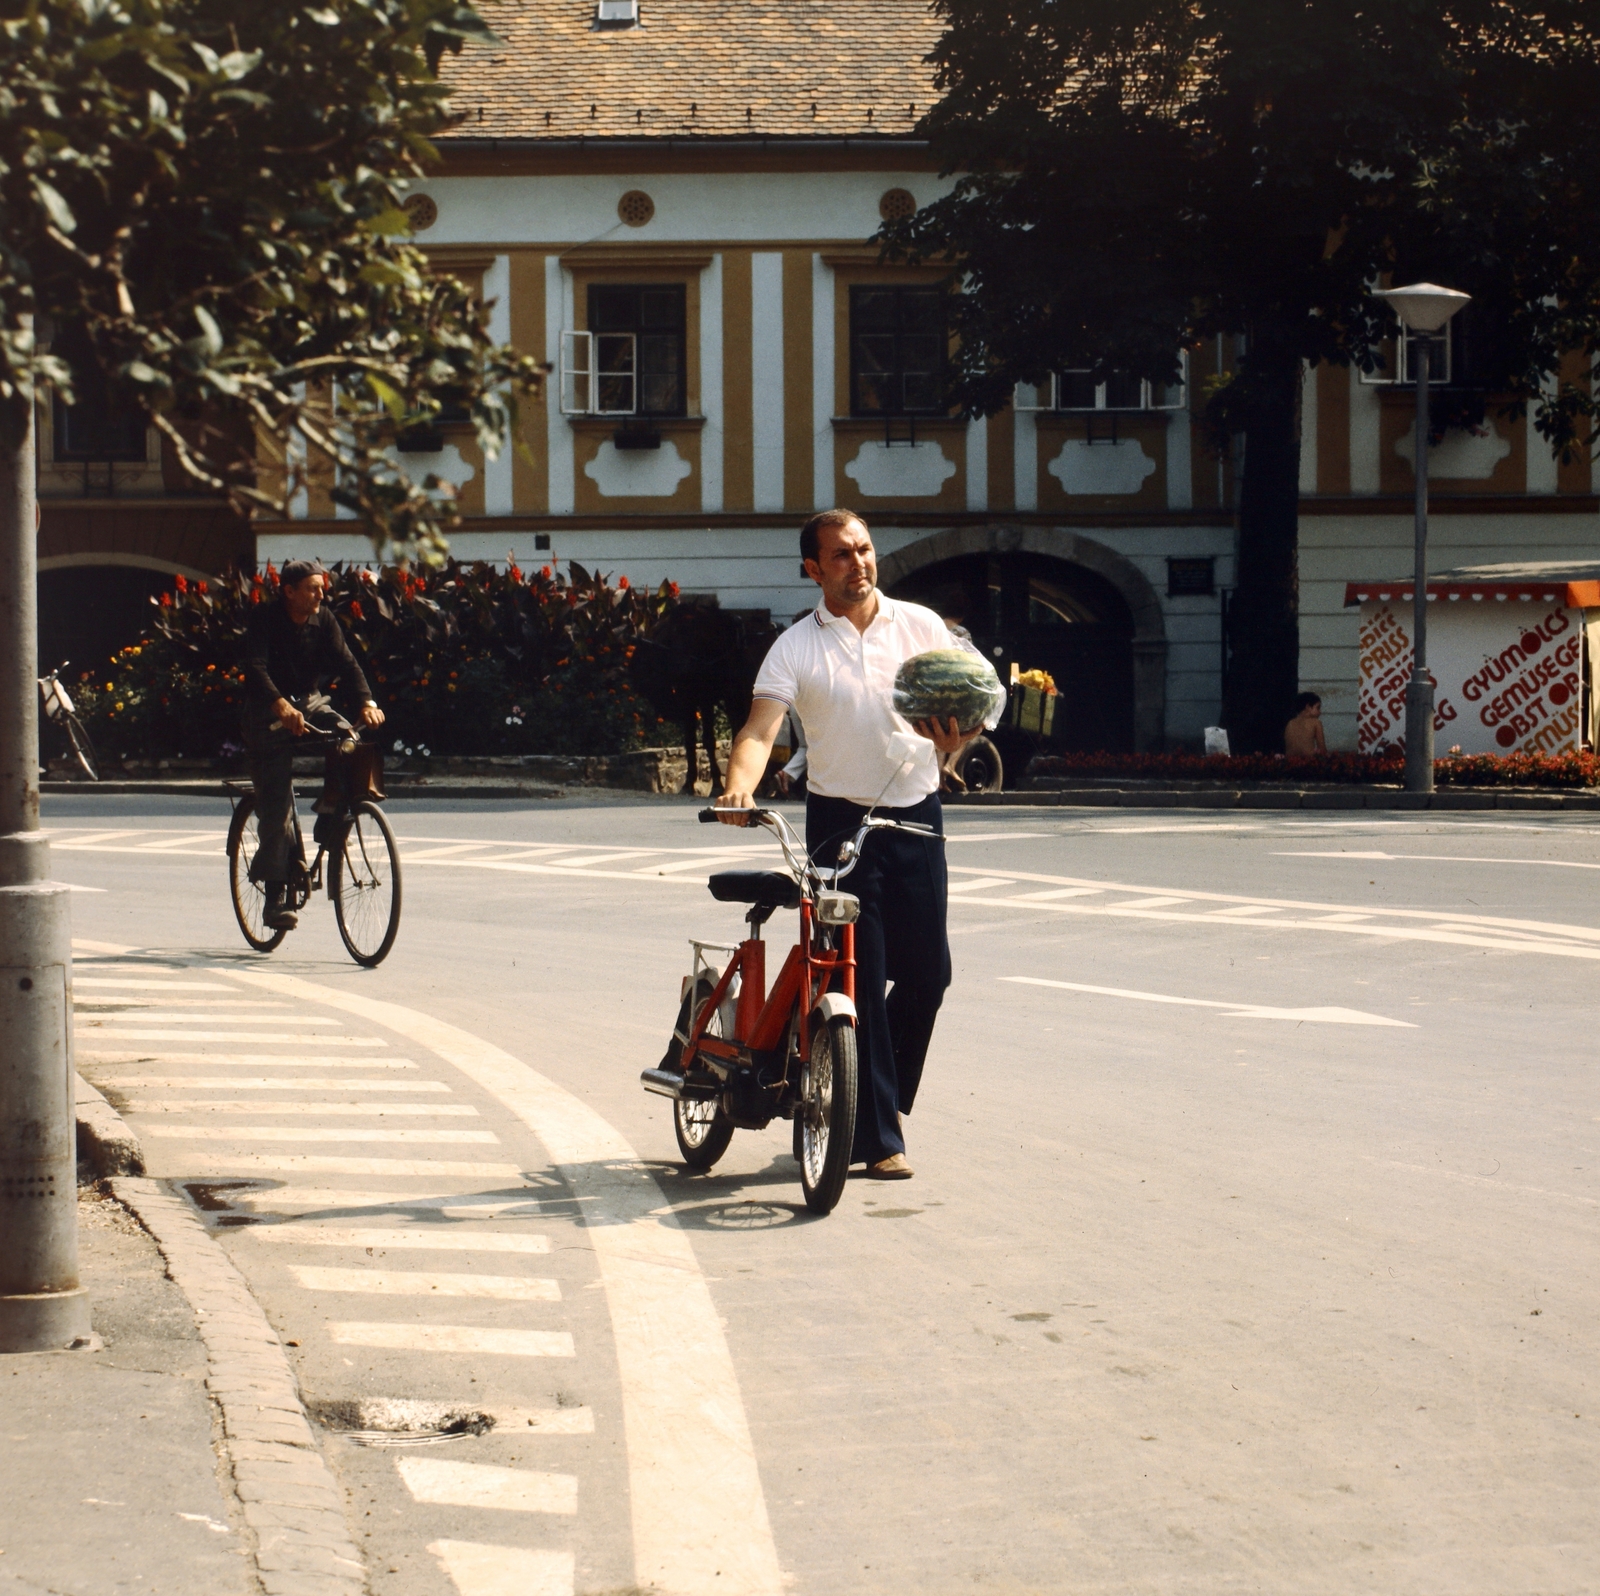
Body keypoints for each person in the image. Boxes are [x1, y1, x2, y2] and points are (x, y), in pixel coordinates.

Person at [716, 509, 991, 1180]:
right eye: (841, 555)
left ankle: (857, 1094)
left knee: (930, 976)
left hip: (916, 816)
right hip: (839, 825)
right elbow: (760, 730)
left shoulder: (921, 627)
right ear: (813, 568)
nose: (859, 563)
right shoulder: (797, 647)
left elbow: (985, 694)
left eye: (864, 550)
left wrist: (965, 736)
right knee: (857, 980)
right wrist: (737, 789)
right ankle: (877, 1132)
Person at [241, 561, 385, 930]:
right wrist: (280, 705)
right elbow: (255, 668)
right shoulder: (265, 618)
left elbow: (348, 663)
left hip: (309, 702)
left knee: (348, 739)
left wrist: (367, 702)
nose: (321, 595)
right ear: (288, 591)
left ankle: (332, 812)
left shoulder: (325, 621)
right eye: (312, 588)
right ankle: (274, 898)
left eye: (322, 588)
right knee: (276, 808)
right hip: (268, 713)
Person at [1284, 691, 1327, 757]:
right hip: (1309, 761)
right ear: (1308, 707)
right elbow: (1322, 748)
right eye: (1318, 708)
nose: (1320, 712)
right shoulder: (1316, 722)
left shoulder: (1290, 723)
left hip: (1290, 762)